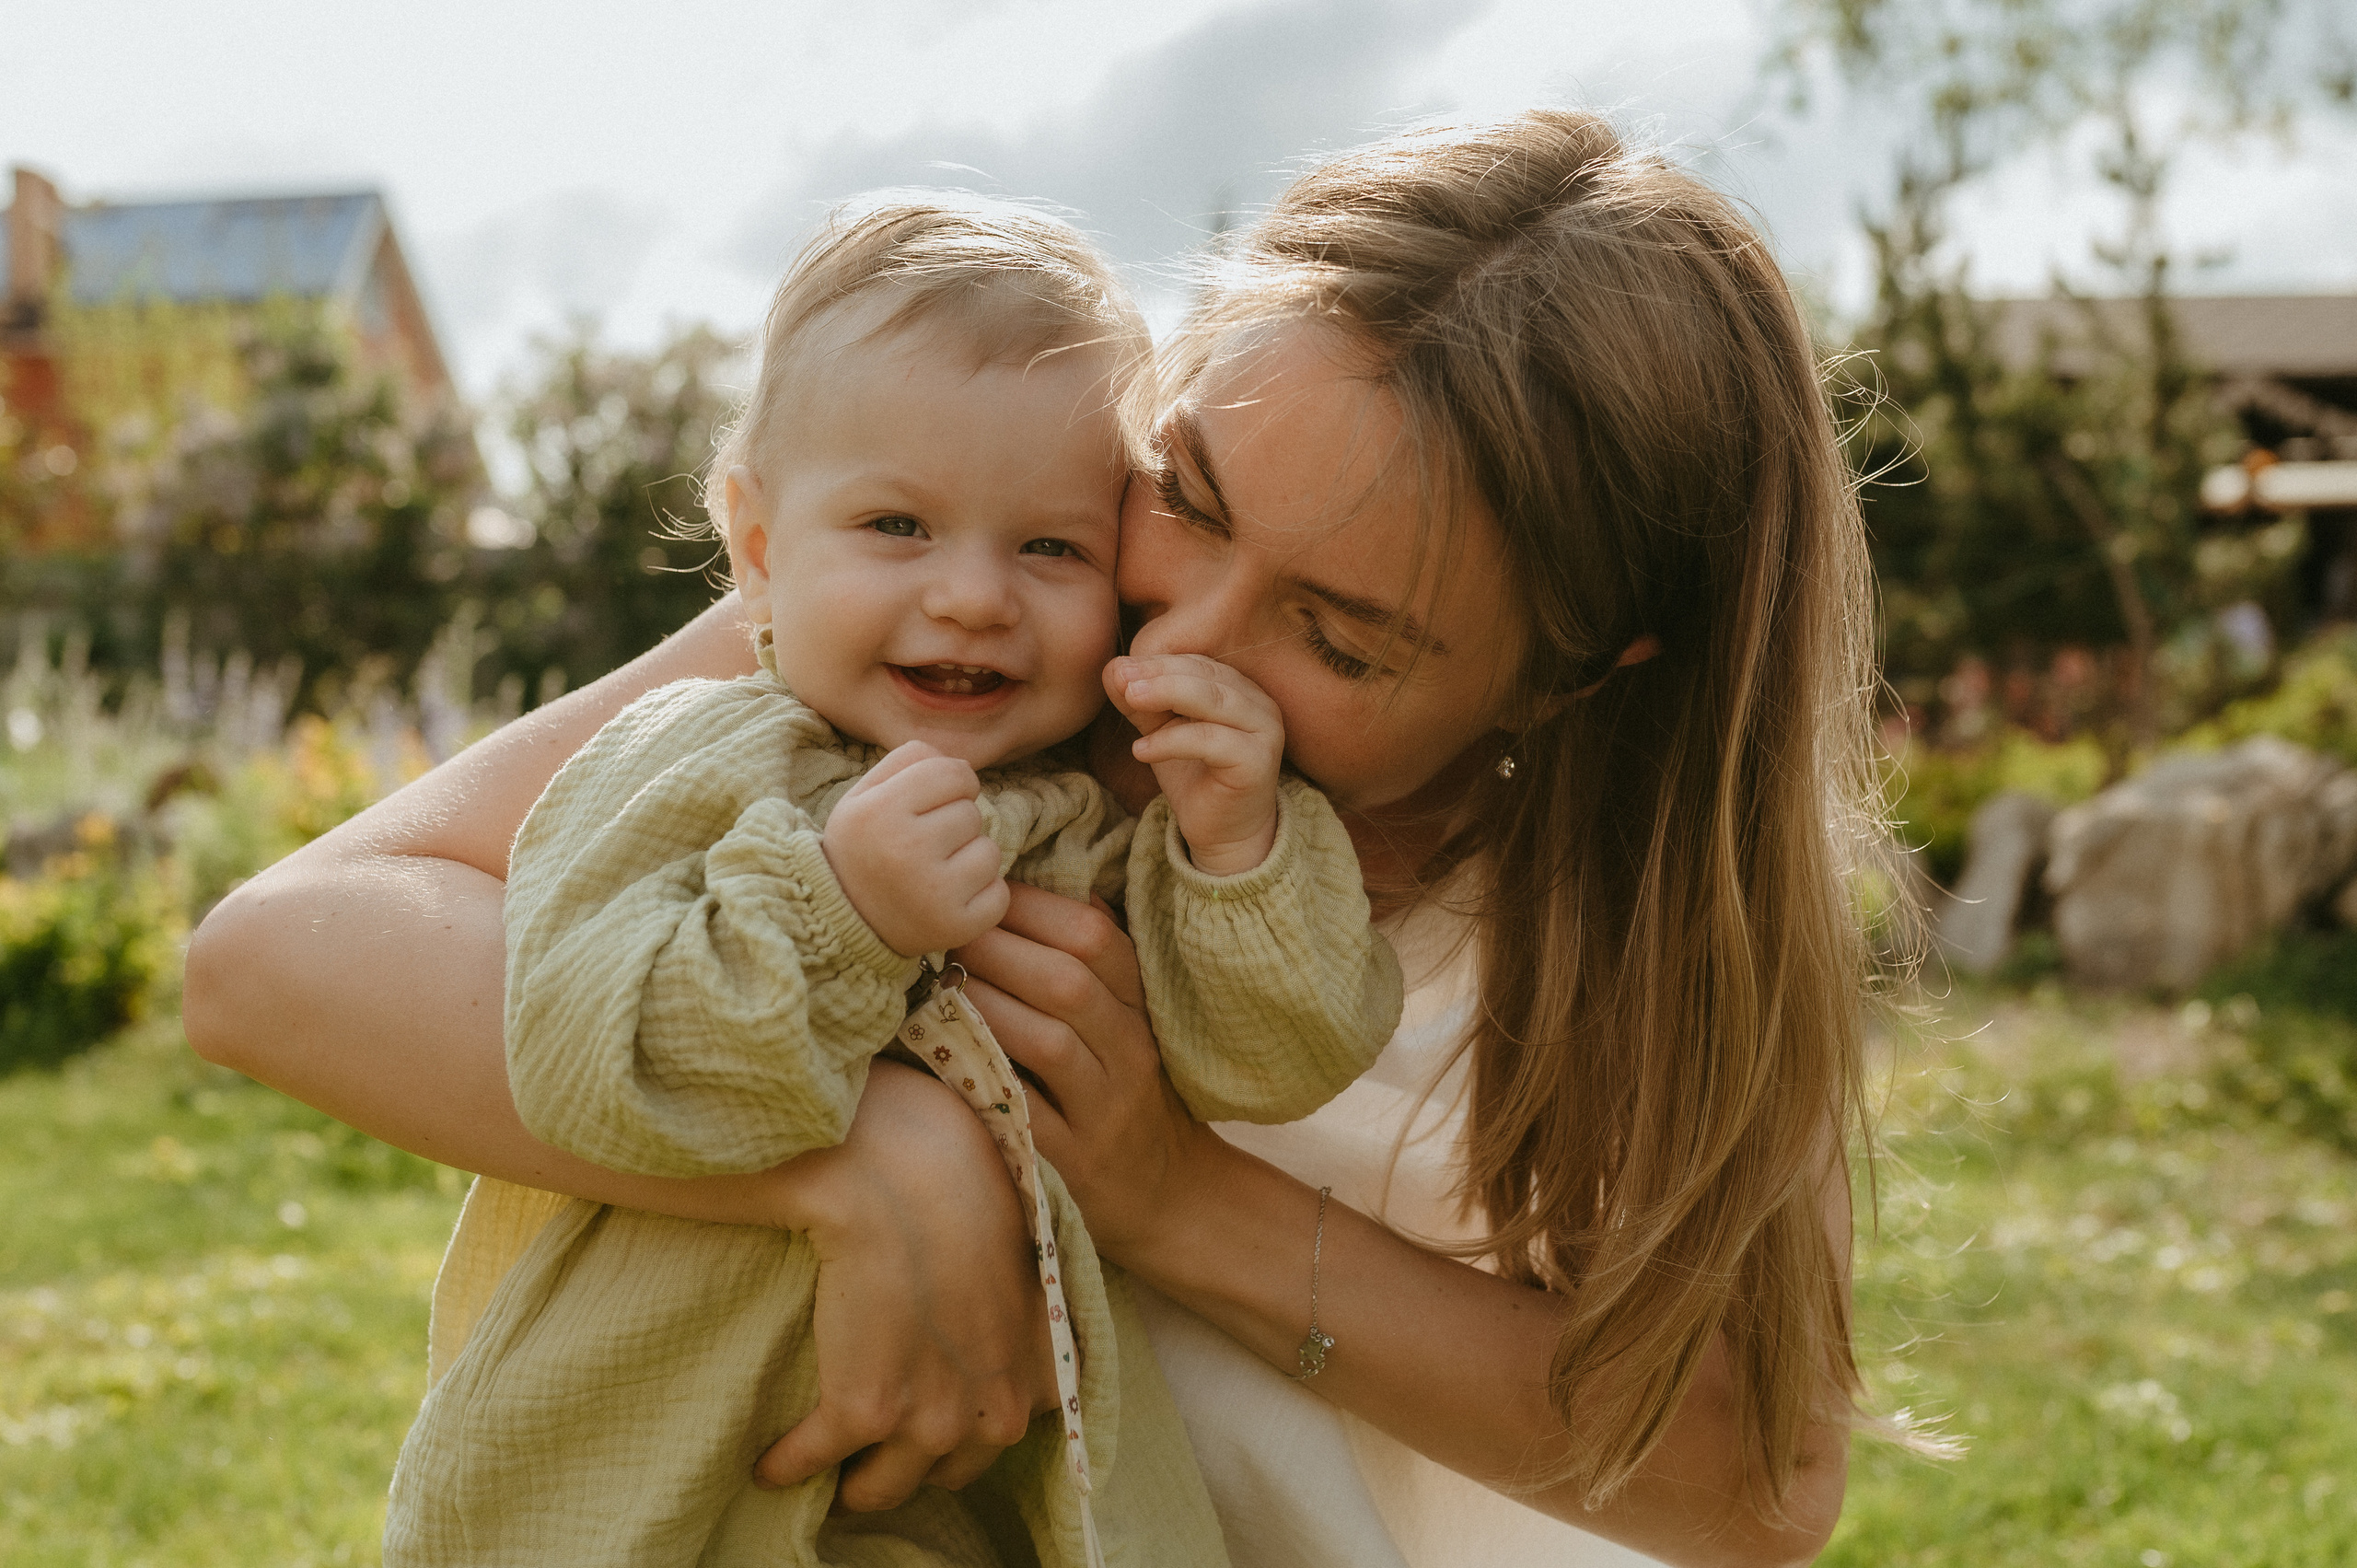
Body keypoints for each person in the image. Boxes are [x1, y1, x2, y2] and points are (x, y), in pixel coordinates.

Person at [185, 108, 1874, 1568]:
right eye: (1188, 495)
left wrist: (1163, 1196)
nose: (1167, 653)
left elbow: (1761, 1484)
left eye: (1344, 640)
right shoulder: (972, 625)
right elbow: (281, 958)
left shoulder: (1632, 909)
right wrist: (885, 1162)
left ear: (1577, 668)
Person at [384, 196, 1399, 1568]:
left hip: (974, 1493)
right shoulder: (690, 767)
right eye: (898, 526)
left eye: (1050, 548)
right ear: (754, 545)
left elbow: (1270, 1062)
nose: (975, 596)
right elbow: (585, 1057)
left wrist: (1235, 848)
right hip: (657, 1472)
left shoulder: (1091, 822)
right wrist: (838, 916)